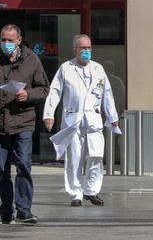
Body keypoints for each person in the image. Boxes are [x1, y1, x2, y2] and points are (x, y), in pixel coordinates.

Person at [0, 24, 49, 225]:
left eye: (10, 40)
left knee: (23, 166)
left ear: (19, 40)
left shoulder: (32, 59)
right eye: (3, 39)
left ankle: (24, 210)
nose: (6, 43)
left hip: (23, 121)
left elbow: (44, 89)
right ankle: (6, 211)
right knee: (2, 170)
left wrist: (28, 94)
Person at [43, 35, 119, 207]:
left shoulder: (98, 69)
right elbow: (55, 91)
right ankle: (75, 193)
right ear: (75, 50)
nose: (86, 51)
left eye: (89, 48)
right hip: (73, 119)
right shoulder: (66, 68)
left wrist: (112, 116)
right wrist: (49, 114)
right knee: (74, 159)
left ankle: (91, 191)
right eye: (83, 48)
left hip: (93, 119)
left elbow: (107, 94)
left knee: (96, 156)